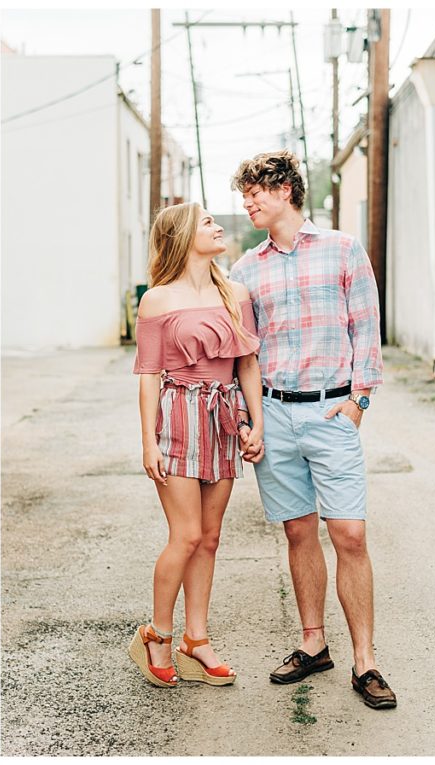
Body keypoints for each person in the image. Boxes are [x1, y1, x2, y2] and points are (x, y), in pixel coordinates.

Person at [228, 150, 396, 709]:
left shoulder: (343, 250)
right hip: (273, 413)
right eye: (244, 193)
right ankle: (313, 644)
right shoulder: (246, 269)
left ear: (285, 191)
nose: (247, 201)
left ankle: (366, 661)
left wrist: (359, 402)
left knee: (350, 534)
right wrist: (249, 419)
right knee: (298, 533)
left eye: (255, 191)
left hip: (331, 413)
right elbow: (243, 353)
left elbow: (366, 328)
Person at [128, 202, 264, 688]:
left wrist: (256, 423)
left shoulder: (236, 293)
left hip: (224, 417)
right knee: (184, 535)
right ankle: (158, 635)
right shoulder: (157, 300)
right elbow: (147, 375)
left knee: (209, 536)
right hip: (180, 416)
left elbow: (247, 364)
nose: (217, 226)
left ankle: (196, 639)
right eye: (207, 221)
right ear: (183, 236)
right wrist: (150, 443)